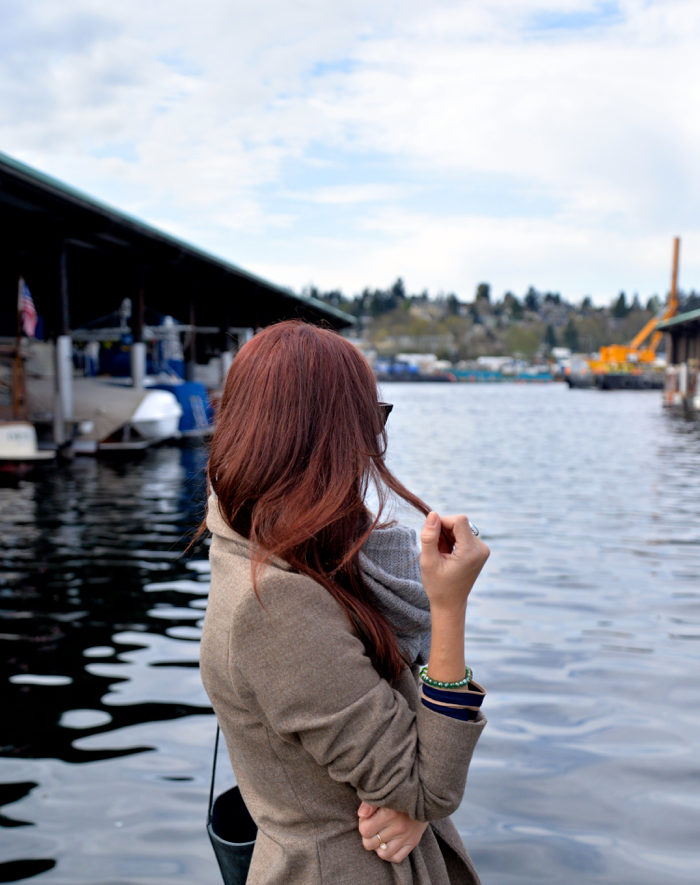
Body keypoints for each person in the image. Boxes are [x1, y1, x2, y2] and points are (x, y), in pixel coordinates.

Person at [200, 320, 489, 884]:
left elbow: (411, 777)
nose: (375, 442)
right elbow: (428, 784)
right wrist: (449, 608)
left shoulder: (275, 546)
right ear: (327, 437)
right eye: (368, 420)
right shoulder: (276, 602)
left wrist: (412, 804)